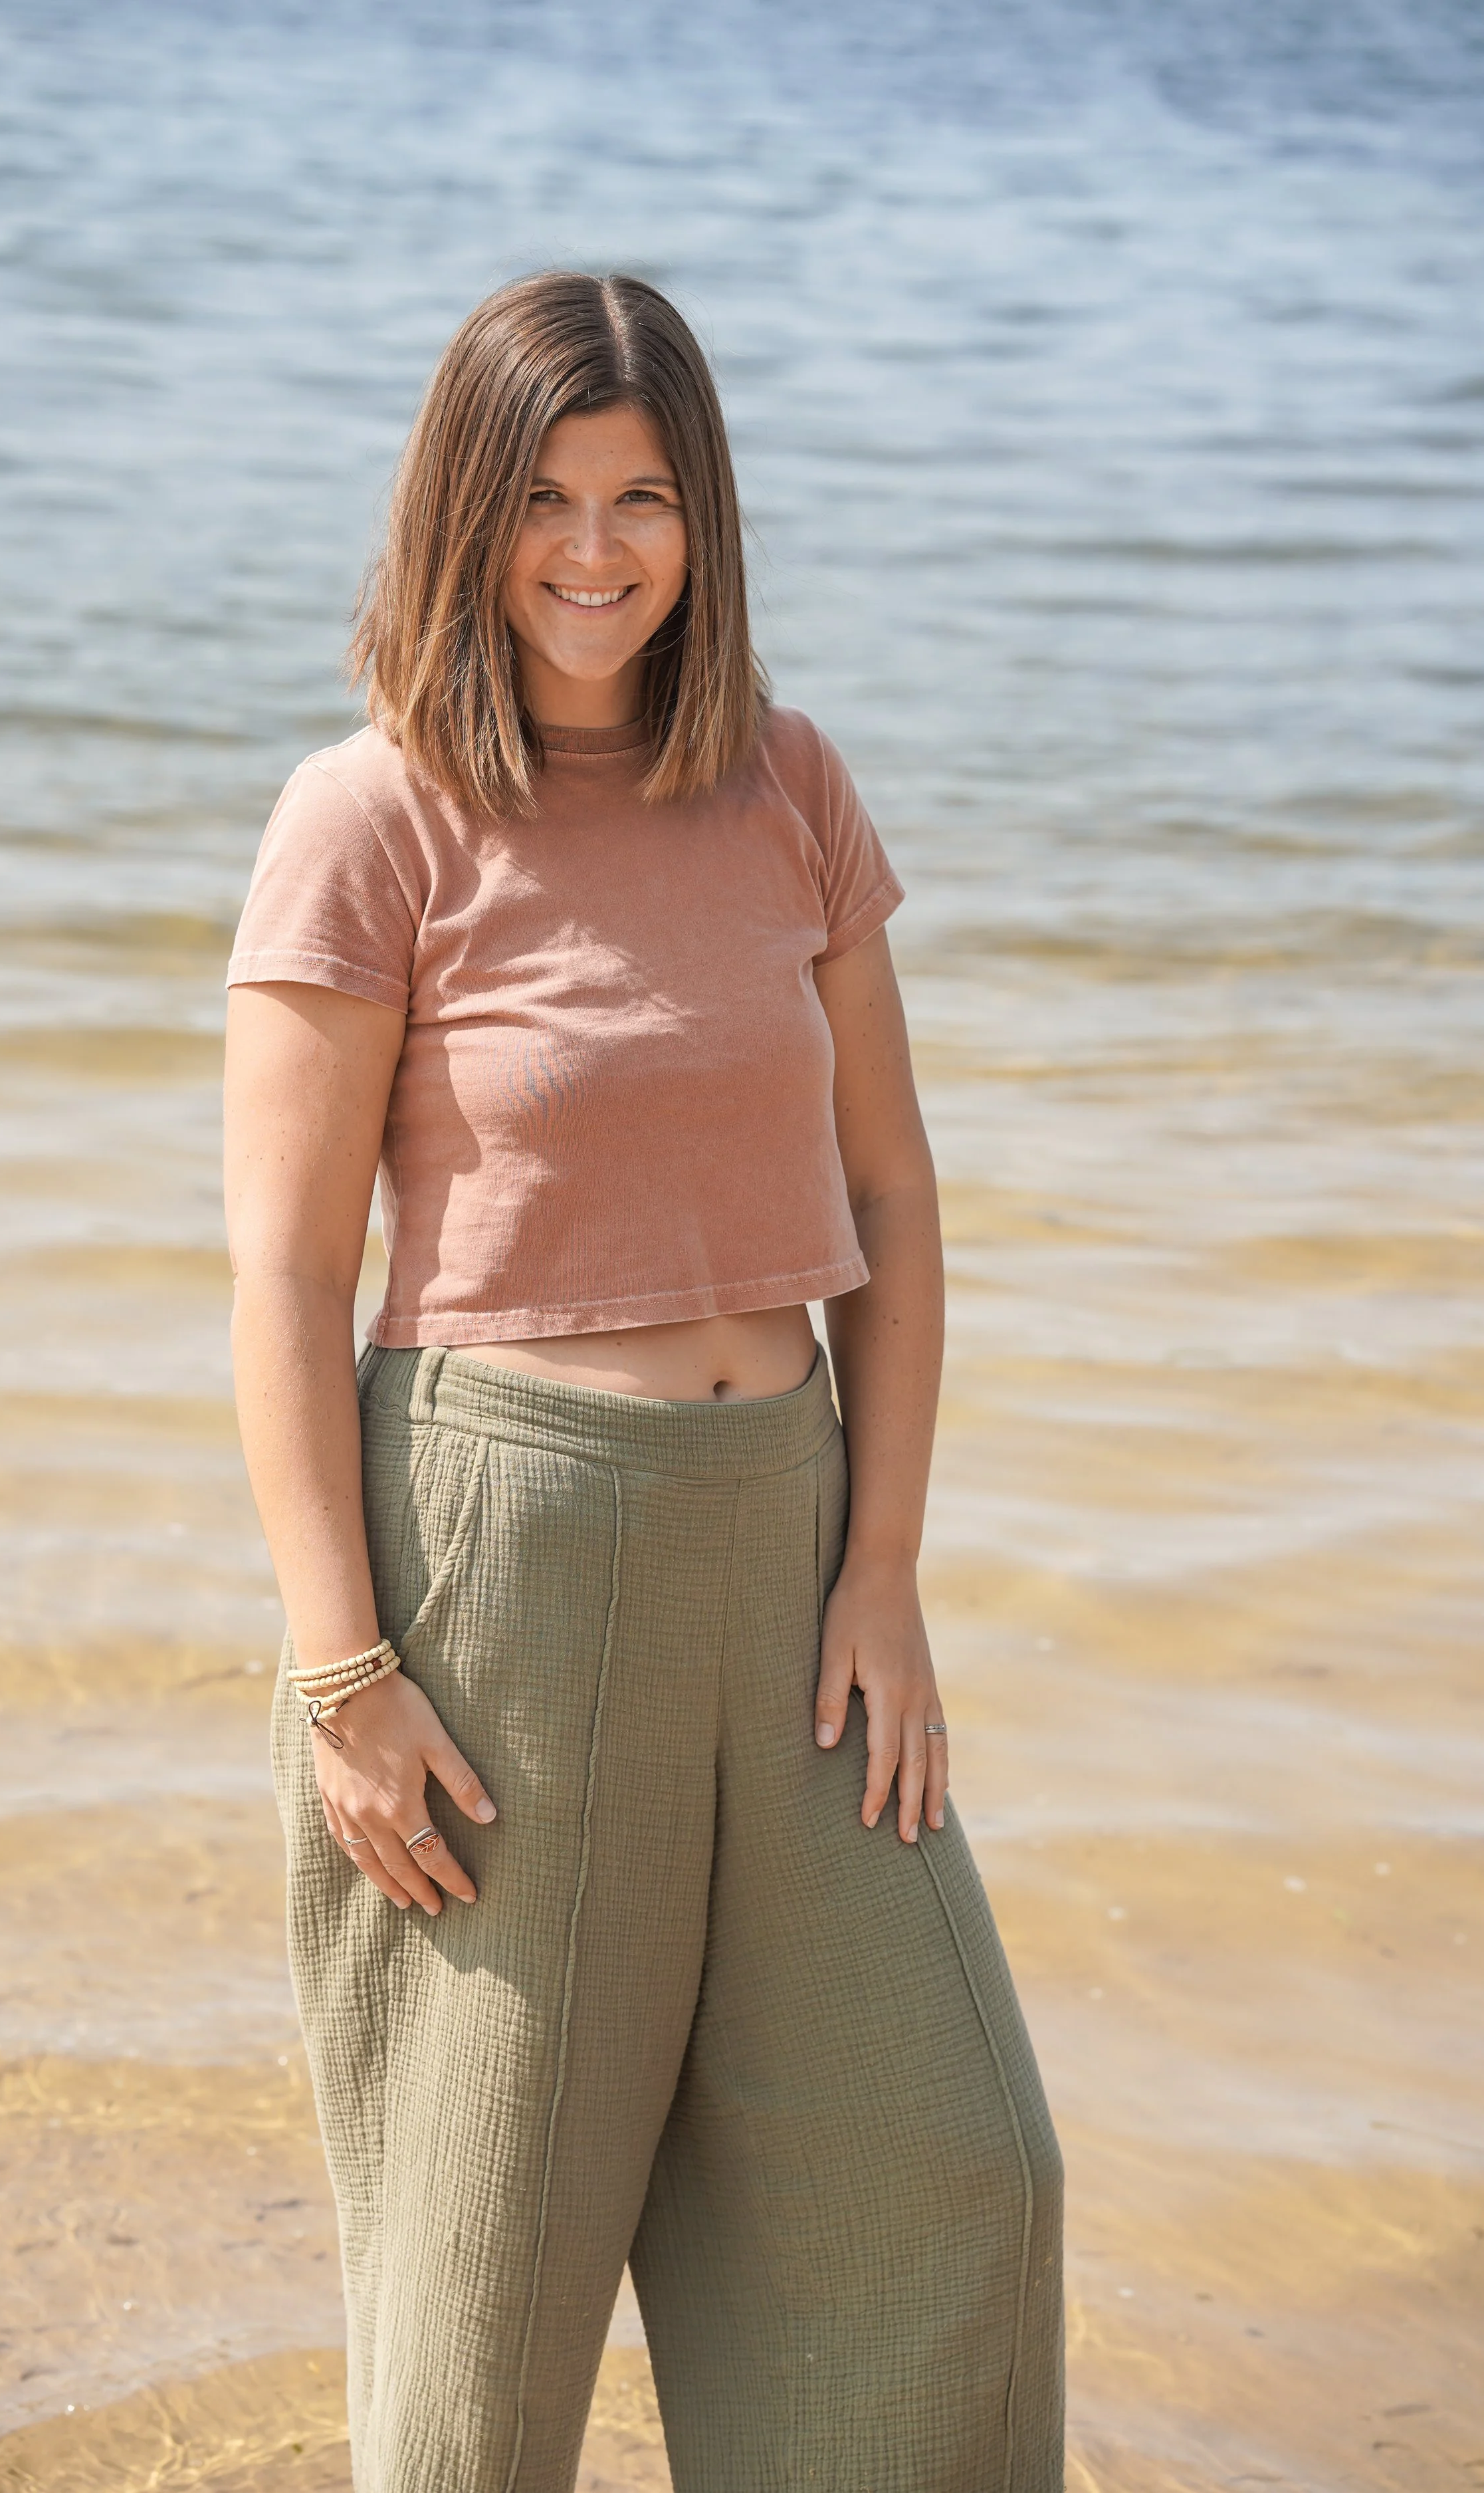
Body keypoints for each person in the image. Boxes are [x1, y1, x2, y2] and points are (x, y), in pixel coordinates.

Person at [223, 270, 1063, 2493]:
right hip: (507, 1563)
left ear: (707, 523)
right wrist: (340, 1671)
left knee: (949, 2171)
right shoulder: (368, 813)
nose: (594, 551)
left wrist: (881, 1562)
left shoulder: (788, 782)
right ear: (456, 517)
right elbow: (291, 1276)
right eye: (542, 499)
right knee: (487, 2290)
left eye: (644, 499)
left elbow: (888, 1189)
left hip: (783, 1553)